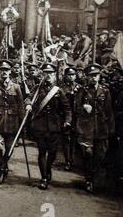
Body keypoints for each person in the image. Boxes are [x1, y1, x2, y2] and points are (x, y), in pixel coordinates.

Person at [29, 63, 72, 190]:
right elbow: (28, 98)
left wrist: (68, 121)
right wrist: (28, 104)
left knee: (52, 152)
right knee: (42, 151)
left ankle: (48, 168)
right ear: (42, 75)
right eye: (46, 73)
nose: (48, 76)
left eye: (51, 73)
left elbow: (67, 108)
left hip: (54, 126)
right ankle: (44, 178)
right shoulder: (37, 89)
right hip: (40, 126)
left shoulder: (58, 91)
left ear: (54, 75)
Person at [75, 63, 115, 193]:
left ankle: (92, 176)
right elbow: (76, 108)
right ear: (87, 77)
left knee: (100, 156)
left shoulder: (105, 90)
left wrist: (111, 129)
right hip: (87, 128)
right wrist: (83, 108)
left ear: (99, 76)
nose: (93, 78)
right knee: (88, 155)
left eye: (95, 75)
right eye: (91, 76)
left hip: (102, 129)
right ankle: (88, 180)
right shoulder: (83, 90)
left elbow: (109, 112)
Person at [0, 59, 25, 185]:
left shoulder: (16, 87)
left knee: (9, 147)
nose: (4, 72)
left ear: (10, 72)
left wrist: (23, 122)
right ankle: (1, 170)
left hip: (12, 122)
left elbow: (21, 105)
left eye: (6, 70)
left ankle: (4, 164)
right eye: (2, 70)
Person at [60, 66, 81, 171]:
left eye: (73, 75)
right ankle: (68, 160)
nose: (71, 77)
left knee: (75, 139)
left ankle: (73, 159)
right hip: (66, 117)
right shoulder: (62, 89)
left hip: (77, 118)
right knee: (66, 139)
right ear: (66, 76)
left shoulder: (80, 88)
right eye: (69, 75)